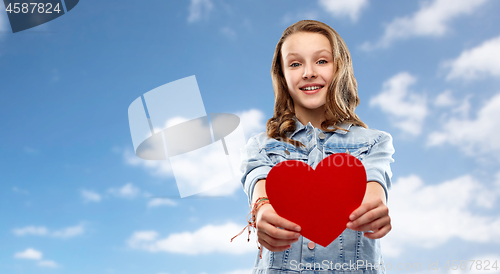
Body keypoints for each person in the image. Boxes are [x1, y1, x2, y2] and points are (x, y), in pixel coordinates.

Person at [239, 20, 395, 273]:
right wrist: (263, 208)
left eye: (322, 61)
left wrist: (373, 209)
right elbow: (259, 184)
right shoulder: (261, 146)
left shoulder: (375, 142)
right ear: (282, 74)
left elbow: (374, 185)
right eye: (295, 63)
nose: (308, 72)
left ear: (339, 67)